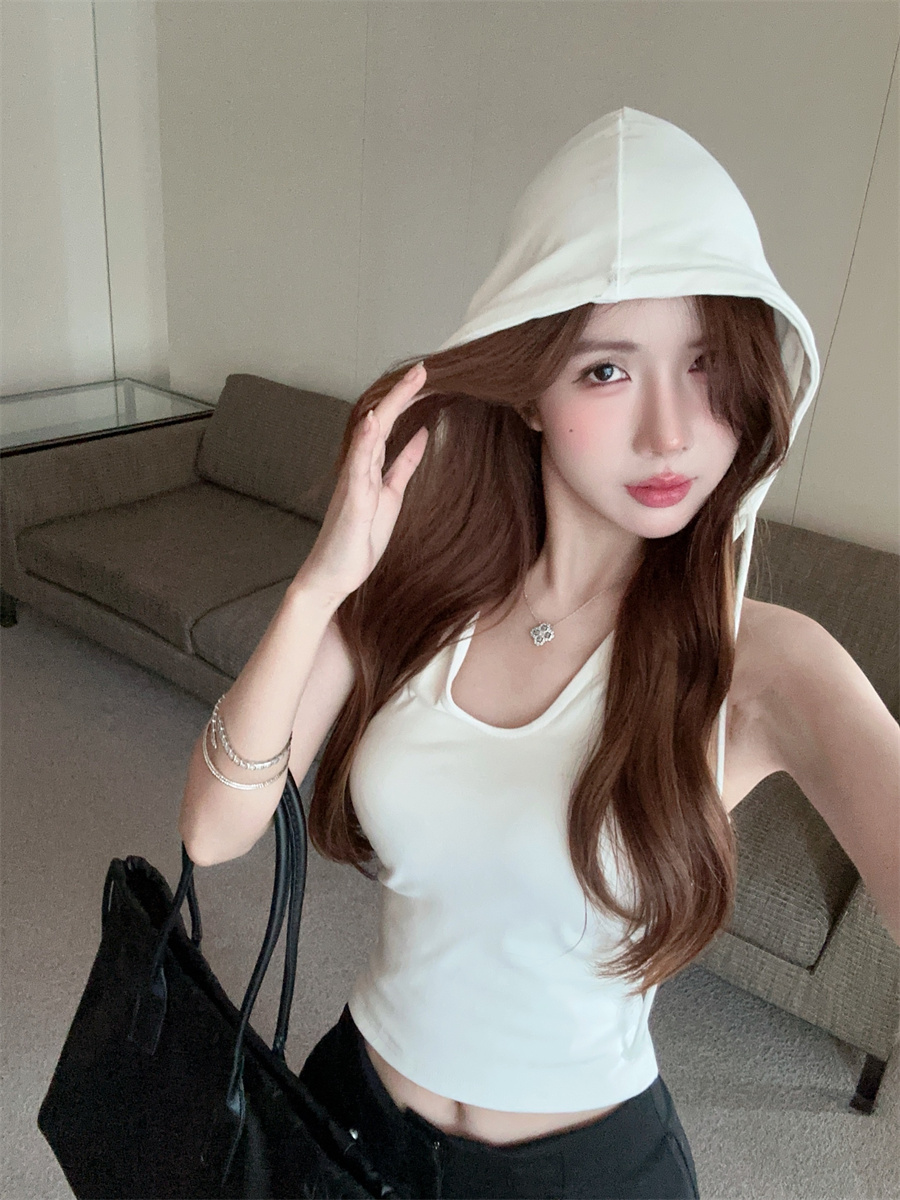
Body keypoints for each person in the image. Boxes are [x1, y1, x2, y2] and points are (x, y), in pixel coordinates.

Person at [180, 107, 842, 1197]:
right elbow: (214, 832)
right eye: (607, 372)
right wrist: (320, 584)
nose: (672, 431)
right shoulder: (419, 596)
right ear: (529, 391)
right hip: (350, 1118)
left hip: (588, 1174)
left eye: (707, 365)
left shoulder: (761, 660)